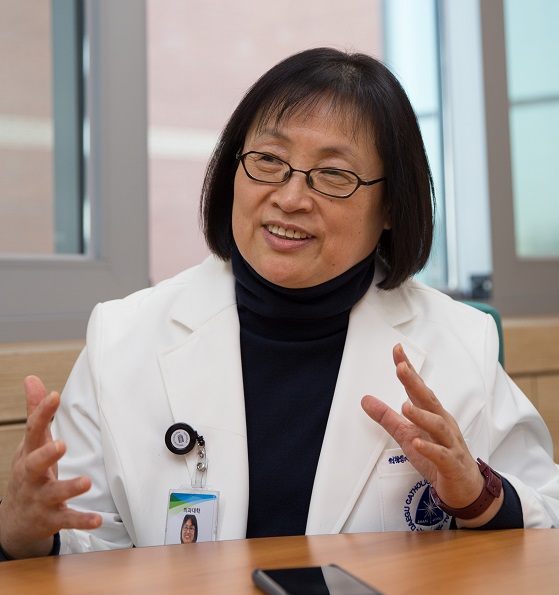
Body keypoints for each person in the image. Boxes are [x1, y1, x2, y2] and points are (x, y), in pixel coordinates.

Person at [1, 47, 558, 560]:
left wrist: (479, 498)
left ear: (391, 205)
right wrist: (25, 536)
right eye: (268, 160)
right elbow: (86, 542)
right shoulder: (123, 337)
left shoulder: (460, 340)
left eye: (333, 175)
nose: (290, 198)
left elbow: (548, 517)